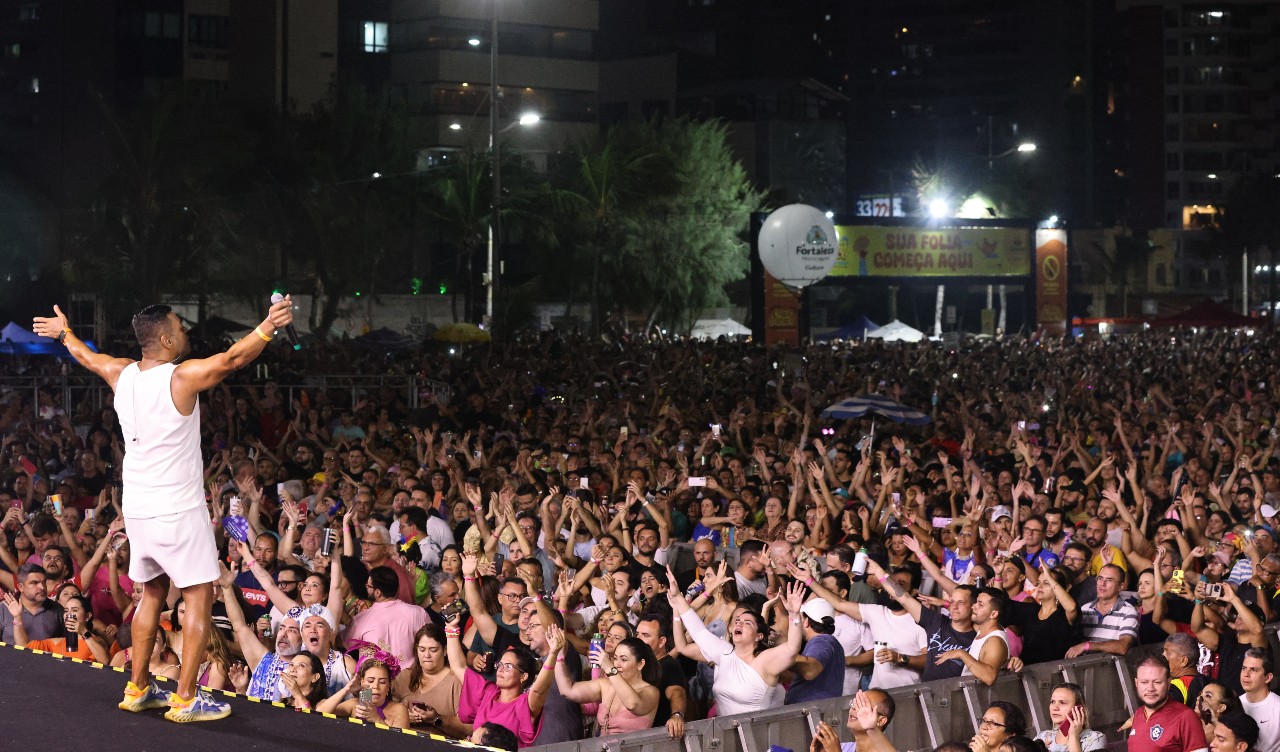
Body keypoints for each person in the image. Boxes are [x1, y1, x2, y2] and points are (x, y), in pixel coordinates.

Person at [34, 296, 293, 722]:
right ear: (168, 339)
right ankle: (187, 697)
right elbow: (231, 360)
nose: (187, 333)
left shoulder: (121, 373)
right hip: (177, 508)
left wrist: (64, 333)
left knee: (152, 592)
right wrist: (268, 325)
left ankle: (138, 687)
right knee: (198, 594)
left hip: (138, 509)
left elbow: (87, 357)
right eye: (181, 327)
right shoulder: (181, 377)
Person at [669, 571, 806, 715]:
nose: (739, 625)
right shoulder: (724, 652)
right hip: (723, 732)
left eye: (747, 623)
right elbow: (698, 631)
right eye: (737, 621)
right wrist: (678, 596)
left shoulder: (764, 660)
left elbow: (792, 648)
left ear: (759, 636)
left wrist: (794, 614)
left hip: (755, 734)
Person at [548, 627, 660, 736]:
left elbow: (633, 704)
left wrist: (609, 669)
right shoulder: (605, 685)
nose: (617, 664)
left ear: (640, 664)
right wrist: (558, 655)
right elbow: (567, 690)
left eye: (624, 659)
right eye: (615, 658)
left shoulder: (651, 691)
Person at [345, 565, 428, 670]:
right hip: (411, 680)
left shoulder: (362, 619)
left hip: (374, 683)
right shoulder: (419, 613)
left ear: (378, 592)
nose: (366, 588)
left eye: (368, 586)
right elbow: (432, 639)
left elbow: (346, 644)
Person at [395, 623, 469, 737]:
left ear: (445, 651)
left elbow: (469, 728)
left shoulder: (456, 680)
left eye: (433, 650)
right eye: (422, 649)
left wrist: (437, 719)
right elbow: (385, 709)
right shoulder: (405, 676)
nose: (427, 655)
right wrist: (402, 715)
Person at [1128, 654, 1209, 752]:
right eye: (1144, 682)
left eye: (1157, 682)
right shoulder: (1139, 713)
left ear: (1168, 682)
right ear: (1136, 683)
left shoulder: (1186, 717)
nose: (1150, 688)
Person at [5, 592, 108, 663]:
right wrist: (17, 618)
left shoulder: (97, 640)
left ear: (87, 616)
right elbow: (24, 649)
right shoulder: (57, 642)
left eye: (75, 610)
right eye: (66, 611)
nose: (69, 614)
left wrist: (84, 632)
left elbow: (105, 661)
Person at [317, 651, 411, 729]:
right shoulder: (354, 703)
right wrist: (346, 690)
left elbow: (401, 744)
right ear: (362, 682)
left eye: (382, 682)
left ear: (388, 686)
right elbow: (319, 712)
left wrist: (377, 719)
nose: (375, 686)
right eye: (370, 681)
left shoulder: (399, 709)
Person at [635, 615, 690, 738]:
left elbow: (677, 692)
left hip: (655, 738)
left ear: (662, 641)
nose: (638, 639)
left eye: (646, 635)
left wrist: (677, 715)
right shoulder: (639, 663)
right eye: (637, 634)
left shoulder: (670, 666)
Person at [784, 597, 846, 704]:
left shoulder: (822, 641)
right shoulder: (828, 642)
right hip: (818, 711)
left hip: (812, 714)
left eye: (800, 618)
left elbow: (809, 671)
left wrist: (785, 648)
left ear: (806, 621)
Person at [0, 563, 64, 642]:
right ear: (21, 587)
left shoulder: (57, 609)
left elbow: (63, 646)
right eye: (34, 583)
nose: (42, 587)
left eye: (44, 582)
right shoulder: (3, 608)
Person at [1034, 682, 1106, 752]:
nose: (1055, 708)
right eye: (1053, 702)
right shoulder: (1042, 737)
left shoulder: (1095, 739)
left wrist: (1073, 737)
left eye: (1062, 702)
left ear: (1078, 708)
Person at [1238, 649, 1280, 752]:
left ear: (1268, 678)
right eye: (1244, 668)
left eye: (1254, 670)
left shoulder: (1278, 707)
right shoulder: (1235, 703)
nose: (1246, 674)